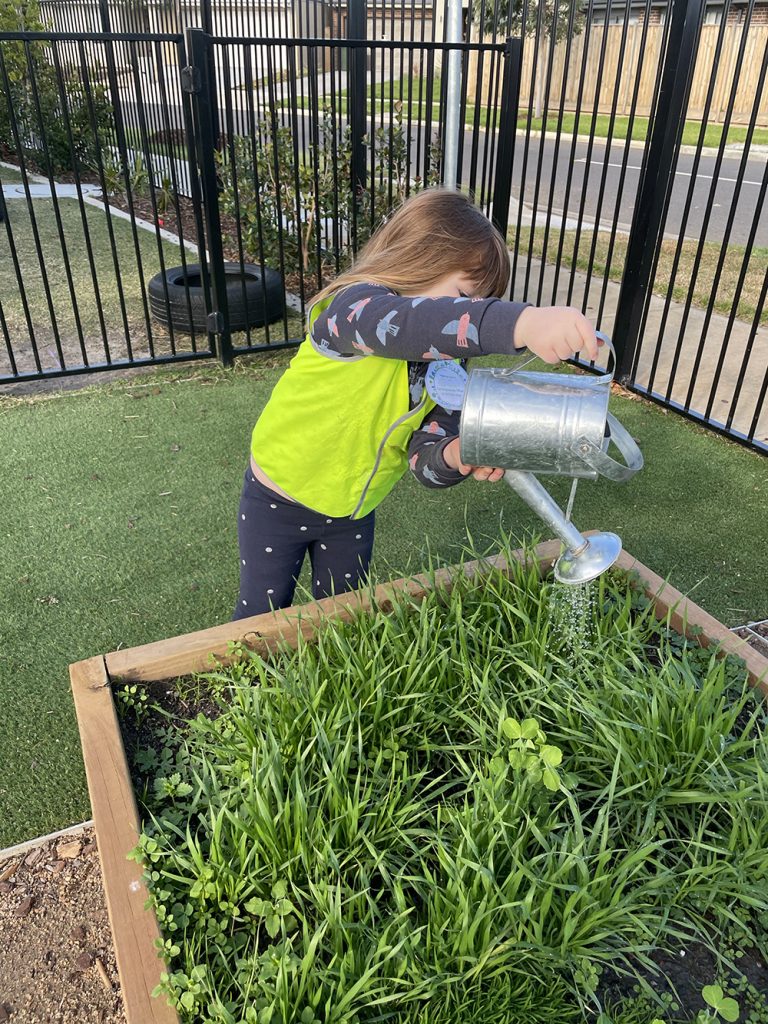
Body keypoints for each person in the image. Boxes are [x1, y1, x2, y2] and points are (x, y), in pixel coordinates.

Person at [233, 187, 601, 620]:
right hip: (279, 497)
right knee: (259, 614)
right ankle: (248, 688)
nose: (469, 311)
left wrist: (458, 453)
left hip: (353, 510)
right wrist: (521, 321)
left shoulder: (445, 367)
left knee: (340, 617)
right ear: (418, 257)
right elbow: (410, 324)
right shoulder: (351, 310)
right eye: (465, 295)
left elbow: (424, 462)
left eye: (479, 304)